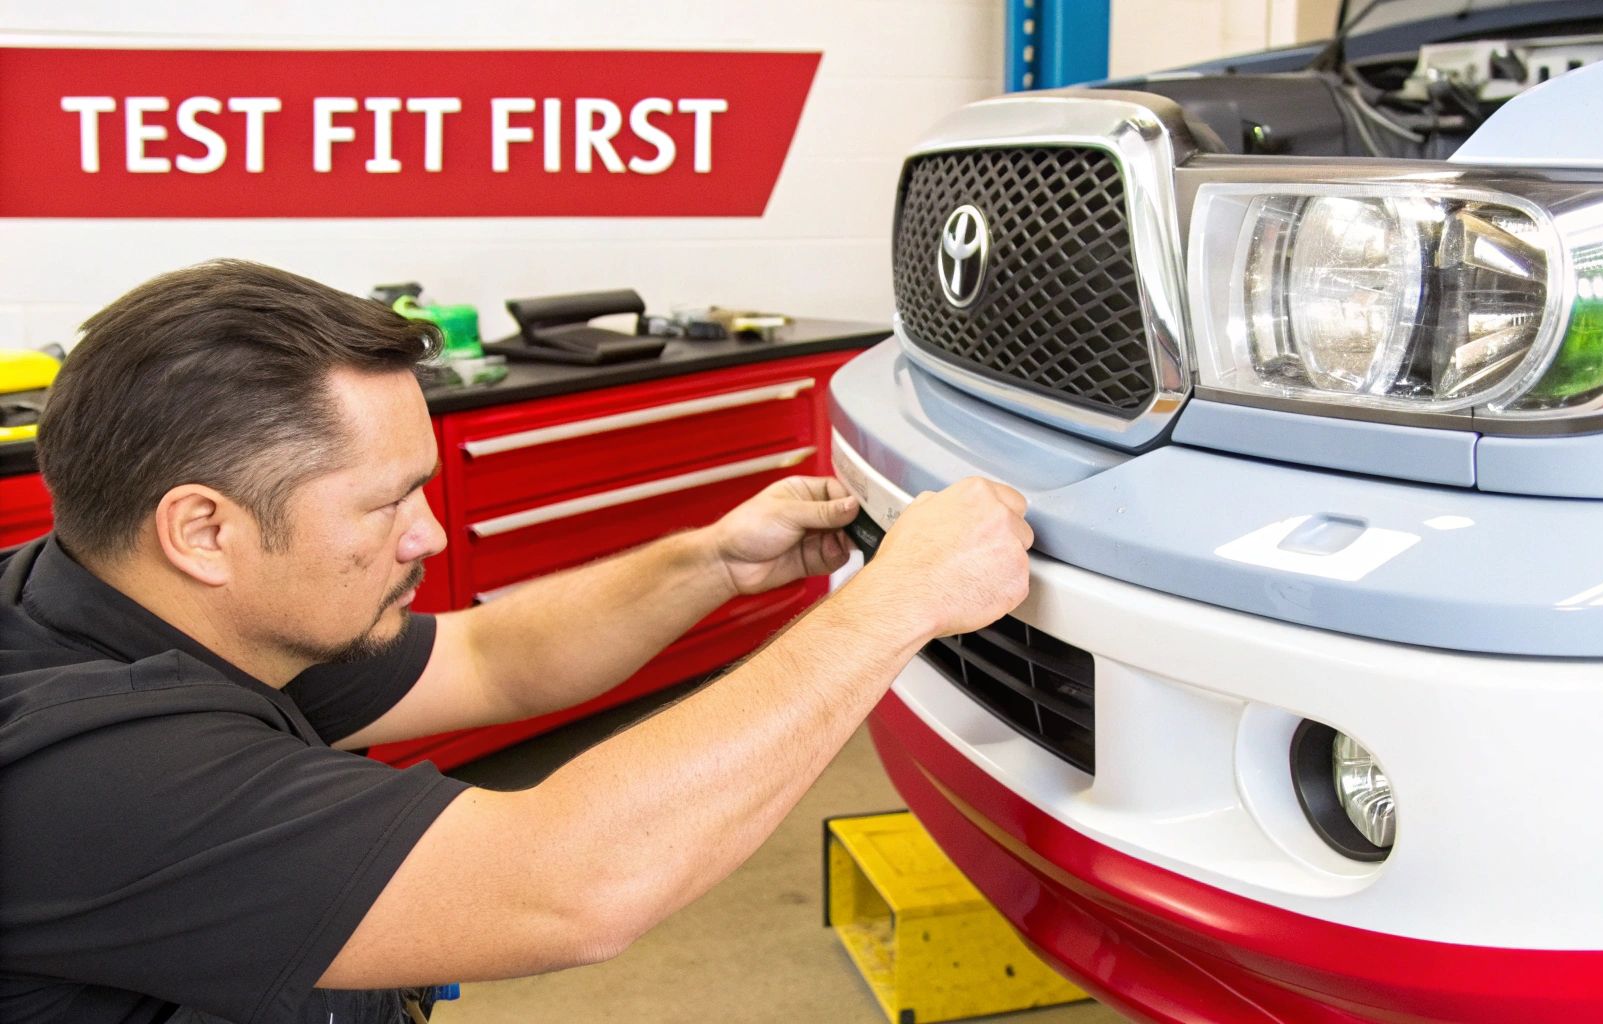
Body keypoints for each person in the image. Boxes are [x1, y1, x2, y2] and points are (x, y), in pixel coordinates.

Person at [0, 260, 1033, 1024]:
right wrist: (894, 602)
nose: (429, 535)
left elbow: (491, 660)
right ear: (202, 530)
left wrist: (715, 561)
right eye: (387, 503)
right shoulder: (77, 772)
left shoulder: (124, 597)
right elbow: (569, 885)